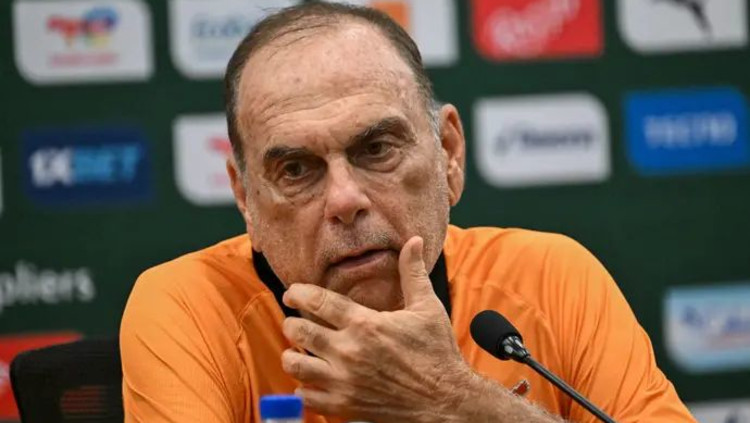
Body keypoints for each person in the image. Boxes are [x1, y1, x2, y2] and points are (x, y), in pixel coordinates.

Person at [120, 3, 697, 423]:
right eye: (296, 169)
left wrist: (456, 401)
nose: (344, 200)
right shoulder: (189, 306)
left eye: (376, 149)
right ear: (246, 198)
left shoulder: (550, 278)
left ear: (448, 153)